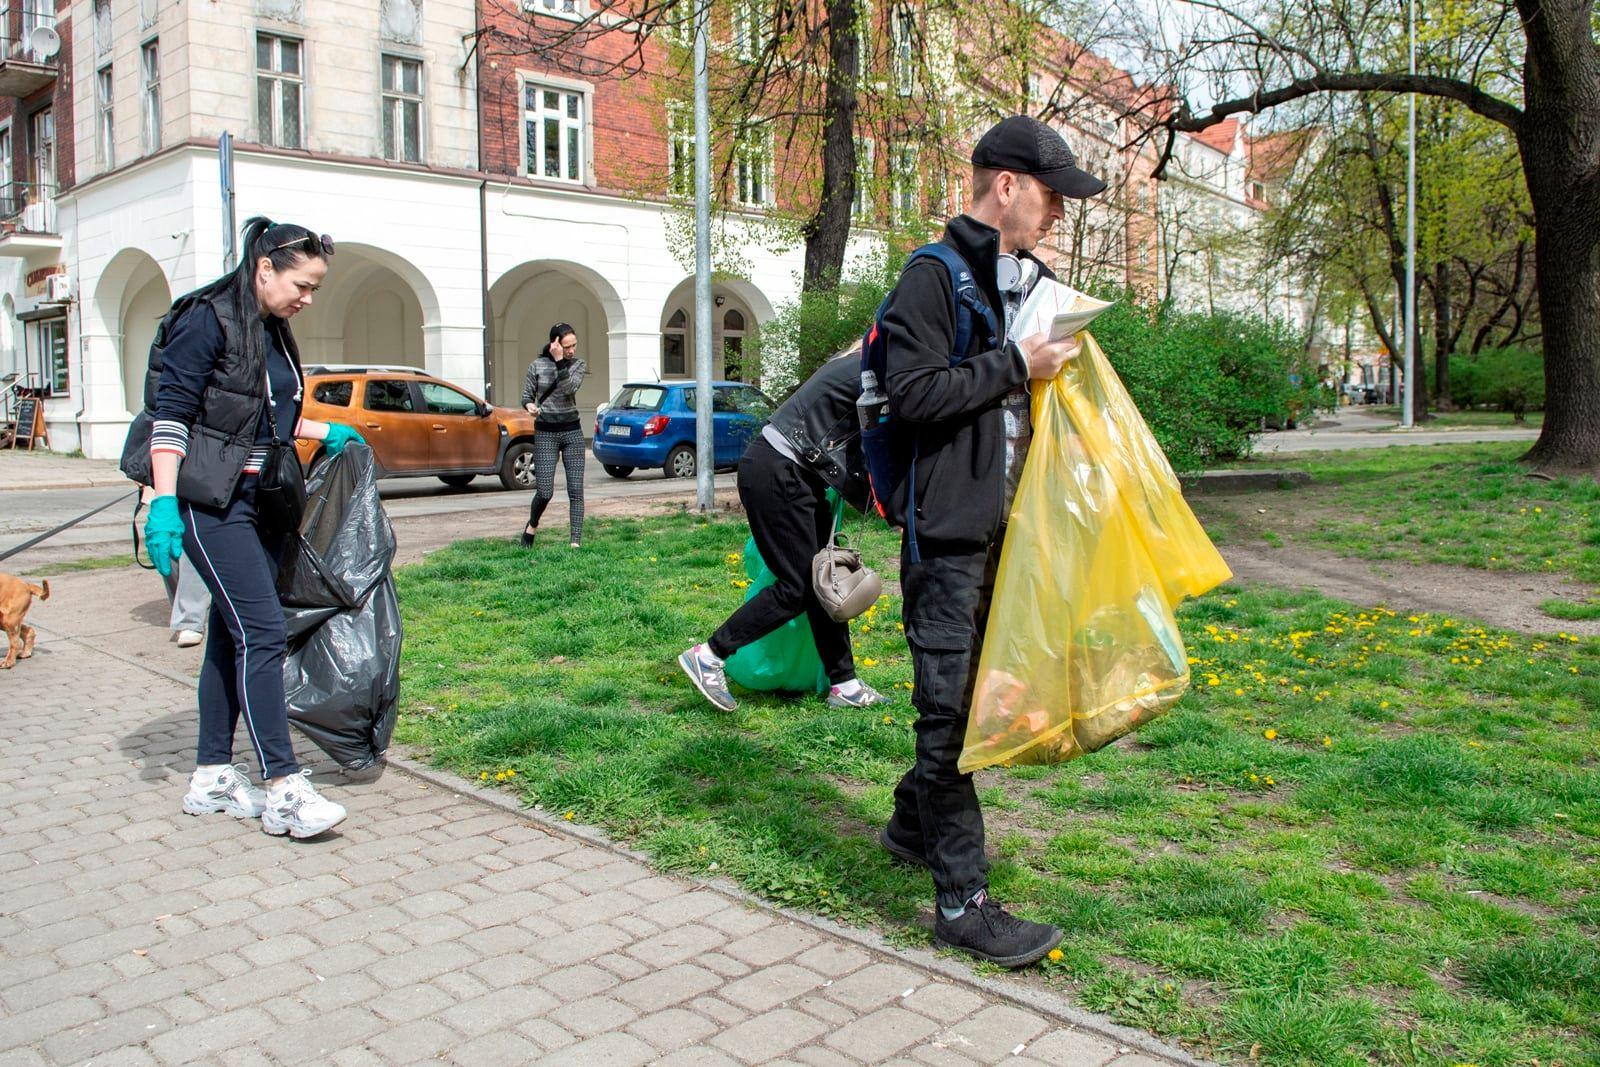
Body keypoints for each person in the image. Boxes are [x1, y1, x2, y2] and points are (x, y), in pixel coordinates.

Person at [876, 116, 1104, 968]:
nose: (1056, 216)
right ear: (1005, 186)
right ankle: (962, 902)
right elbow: (915, 396)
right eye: (1050, 197)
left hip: (1010, 534)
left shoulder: (1030, 280)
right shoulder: (930, 279)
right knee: (949, 719)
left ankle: (909, 825)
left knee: (974, 704)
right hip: (947, 540)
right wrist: (1018, 364)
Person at [142, 217, 364, 840]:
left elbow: (259, 416)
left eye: (315, 287)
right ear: (265, 267)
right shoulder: (205, 319)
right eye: (302, 283)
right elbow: (173, 417)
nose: (308, 298)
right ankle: (283, 788)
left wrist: (323, 432)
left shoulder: (271, 327)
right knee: (263, 632)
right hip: (206, 501)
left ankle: (211, 775)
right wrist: (163, 503)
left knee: (229, 633)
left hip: (255, 497)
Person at [677, 351, 892, 712]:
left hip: (798, 473)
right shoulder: (885, 368)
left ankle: (845, 683)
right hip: (779, 470)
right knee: (799, 587)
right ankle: (710, 654)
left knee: (823, 579)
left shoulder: (876, 362)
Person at [519, 323, 588, 548]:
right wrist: (529, 406)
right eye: (567, 346)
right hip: (546, 433)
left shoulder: (577, 365)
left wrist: (560, 361)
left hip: (572, 433)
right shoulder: (536, 365)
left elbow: (569, 389)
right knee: (545, 491)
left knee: (575, 490)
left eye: (574, 345)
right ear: (555, 343)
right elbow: (527, 396)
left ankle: (575, 542)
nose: (571, 350)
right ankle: (532, 526)